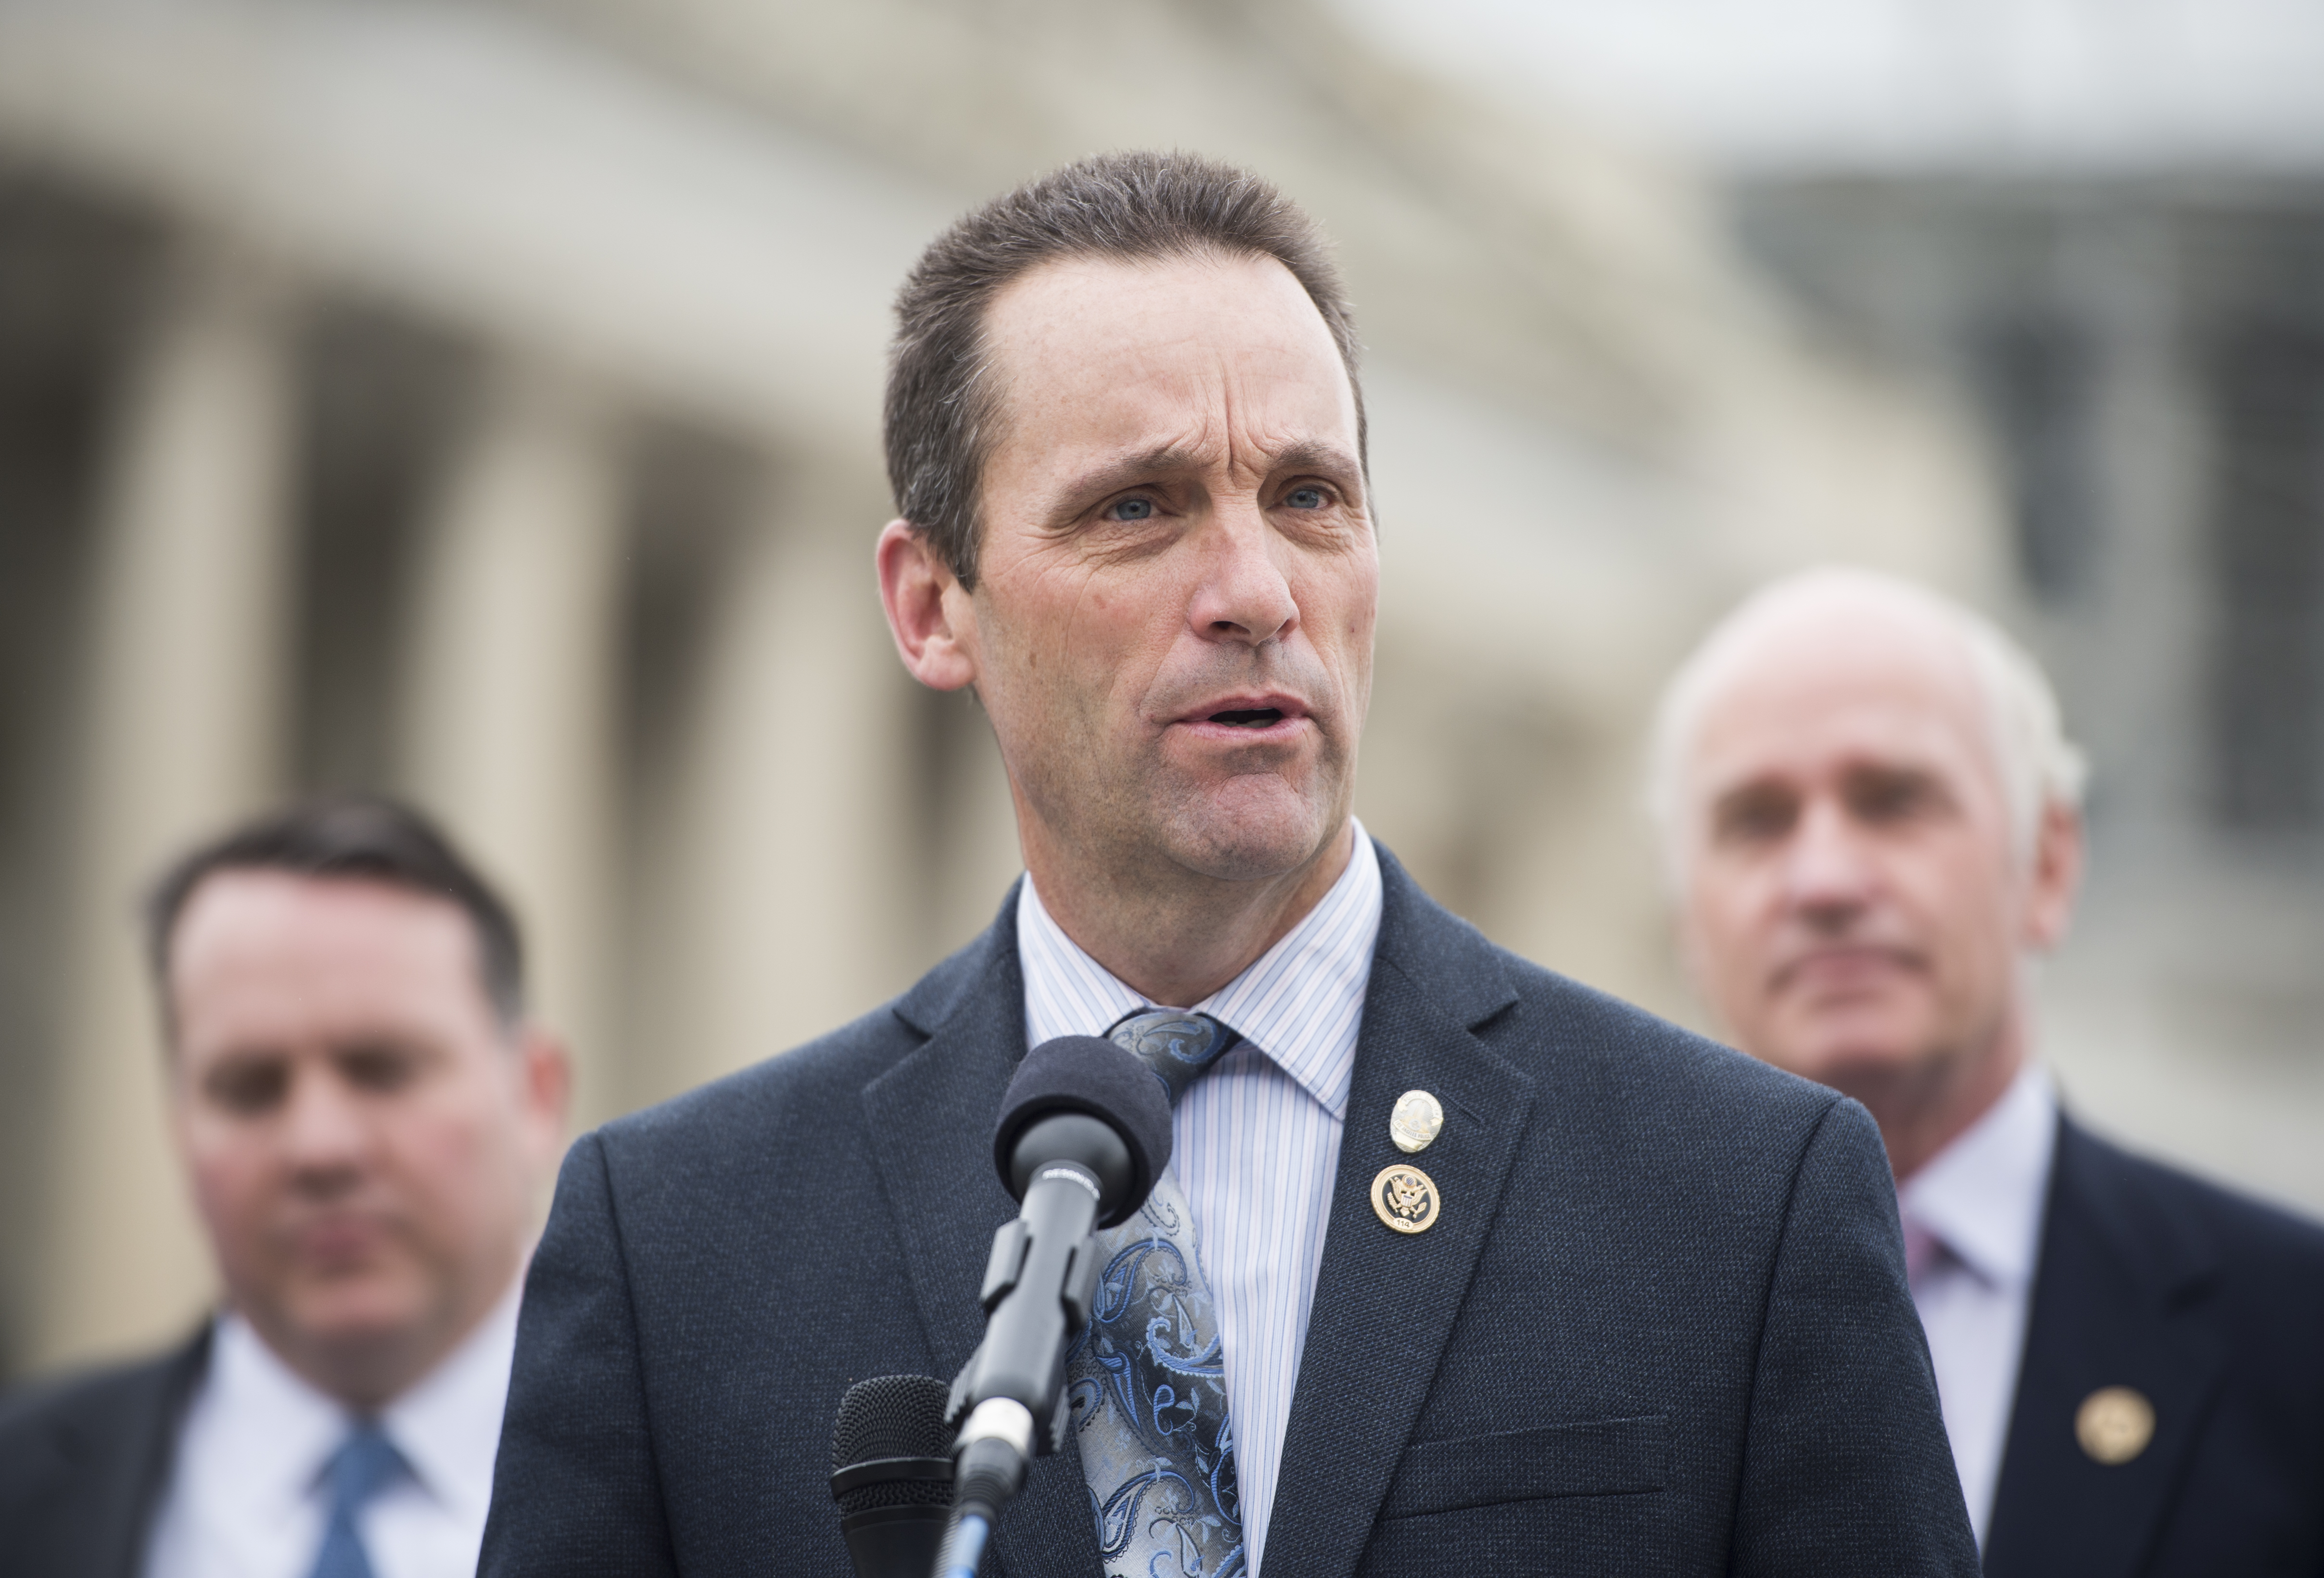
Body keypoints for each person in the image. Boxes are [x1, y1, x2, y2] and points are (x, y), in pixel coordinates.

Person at [480, 151, 1976, 1577]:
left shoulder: (1738, 1204)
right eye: (1140, 507)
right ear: (934, 604)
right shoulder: (676, 1248)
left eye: (1311, 498)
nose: (1259, 591)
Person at [1652, 567, 2324, 1575]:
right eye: (1756, 821)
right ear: (1689, 921)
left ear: (2046, 865)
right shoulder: (1551, 1332)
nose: (1822, 880)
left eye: (1894, 800)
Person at [0, 798, 571, 1578]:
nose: (319, 1148)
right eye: (249, 1087)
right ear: (179, 1126)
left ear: (534, 1095)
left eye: (383, 1069)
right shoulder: (20, 1495)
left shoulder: (717, 1491)